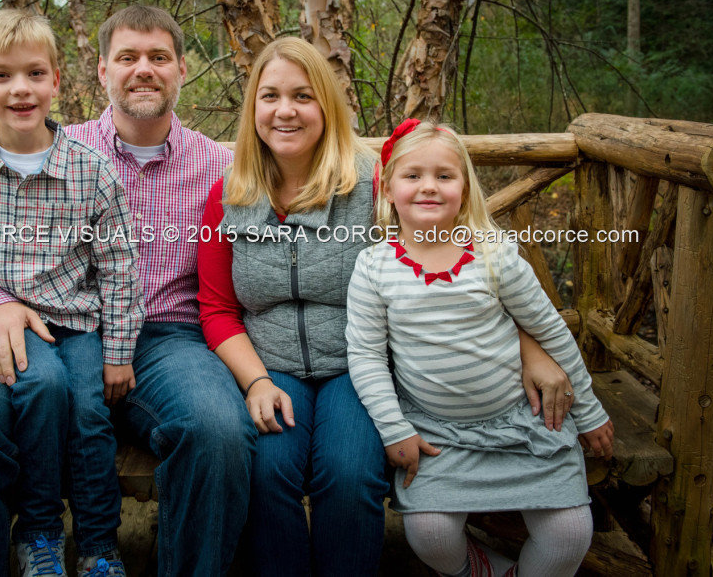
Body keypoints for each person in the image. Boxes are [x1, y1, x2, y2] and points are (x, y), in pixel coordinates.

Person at [197, 38, 578, 576]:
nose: (285, 110)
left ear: (326, 106)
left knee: (350, 473)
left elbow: (464, 263)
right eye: (271, 96)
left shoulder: (372, 181)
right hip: (269, 364)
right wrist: (257, 382)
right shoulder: (228, 194)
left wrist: (530, 346)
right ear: (253, 108)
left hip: (362, 366)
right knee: (266, 471)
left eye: (303, 96)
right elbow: (216, 307)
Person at [0, 5, 256, 577]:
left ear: (182, 69)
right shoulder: (49, 150)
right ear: (101, 72)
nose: (142, 70)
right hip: (44, 336)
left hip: (170, 342)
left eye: (158, 58)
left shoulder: (224, 166)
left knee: (217, 431)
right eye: (127, 58)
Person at [0, 9, 142, 577]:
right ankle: (38, 533)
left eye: (35, 73)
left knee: (88, 412)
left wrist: (119, 351)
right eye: (1, 75)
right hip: (5, 332)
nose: (20, 89)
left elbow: (119, 267)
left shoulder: (92, 171)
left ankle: (98, 547)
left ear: (57, 79)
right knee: (43, 383)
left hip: (80, 324)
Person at [346, 119, 616, 577]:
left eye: (444, 176)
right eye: (413, 176)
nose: (429, 187)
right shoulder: (374, 267)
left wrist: (589, 411)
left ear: (465, 190)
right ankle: (484, 571)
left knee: (569, 534)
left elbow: (548, 330)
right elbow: (367, 356)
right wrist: (394, 430)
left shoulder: (494, 254)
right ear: (388, 189)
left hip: (525, 426)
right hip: (437, 434)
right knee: (429, 535)